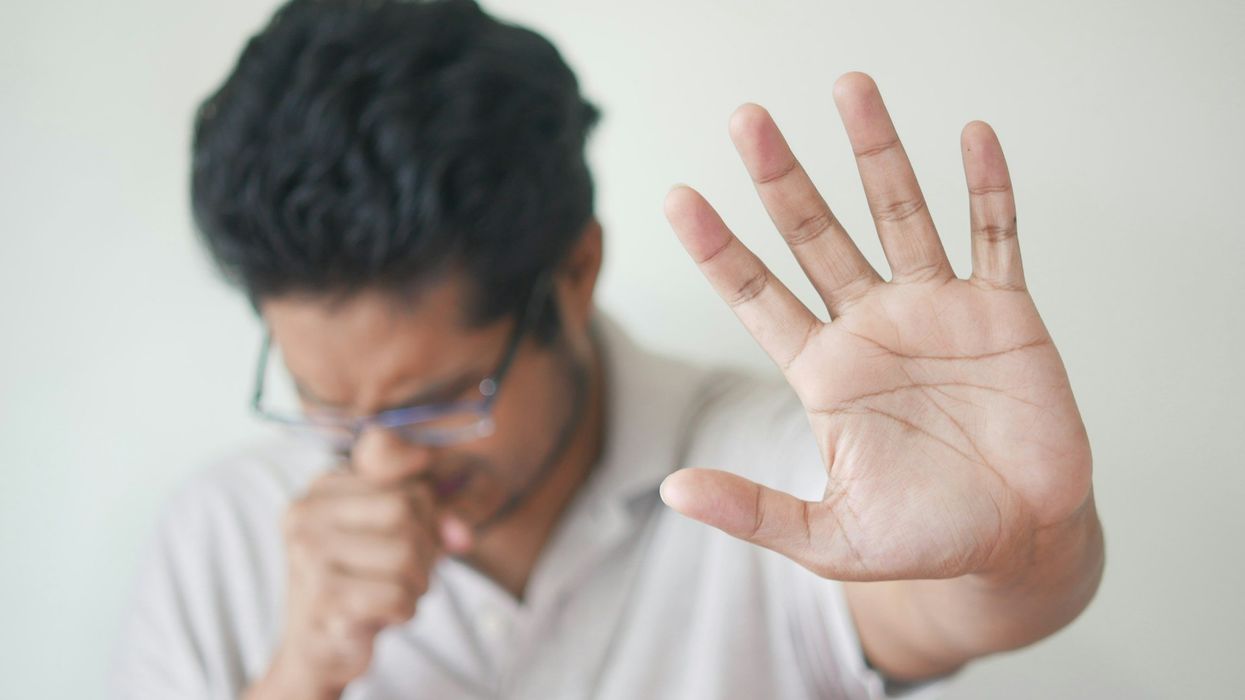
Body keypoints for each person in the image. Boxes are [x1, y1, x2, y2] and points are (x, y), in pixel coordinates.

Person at [110, 0, 1105, 698]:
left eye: (441, 398)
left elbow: (958, 605)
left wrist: (1024, 547)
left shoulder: (771, 468)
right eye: (325, 404)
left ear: (575, 272)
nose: (380, 458)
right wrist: (298, 679)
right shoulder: (220, 534)